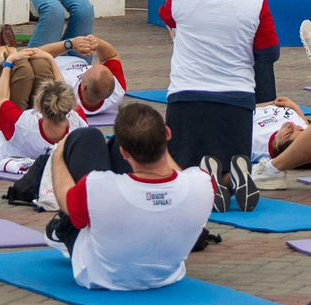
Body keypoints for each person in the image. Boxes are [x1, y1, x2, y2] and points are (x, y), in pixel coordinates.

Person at [44, 99, 221, 287]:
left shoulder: (95, 186)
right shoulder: (203, 183)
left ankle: (60, 231)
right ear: (167, 134)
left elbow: (66, 202)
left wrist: (58, 155)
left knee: (86, 137)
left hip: (98, 275)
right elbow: (176, 176)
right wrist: (158, 141)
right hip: (166, 276)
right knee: (118, 140)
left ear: (124, 153)